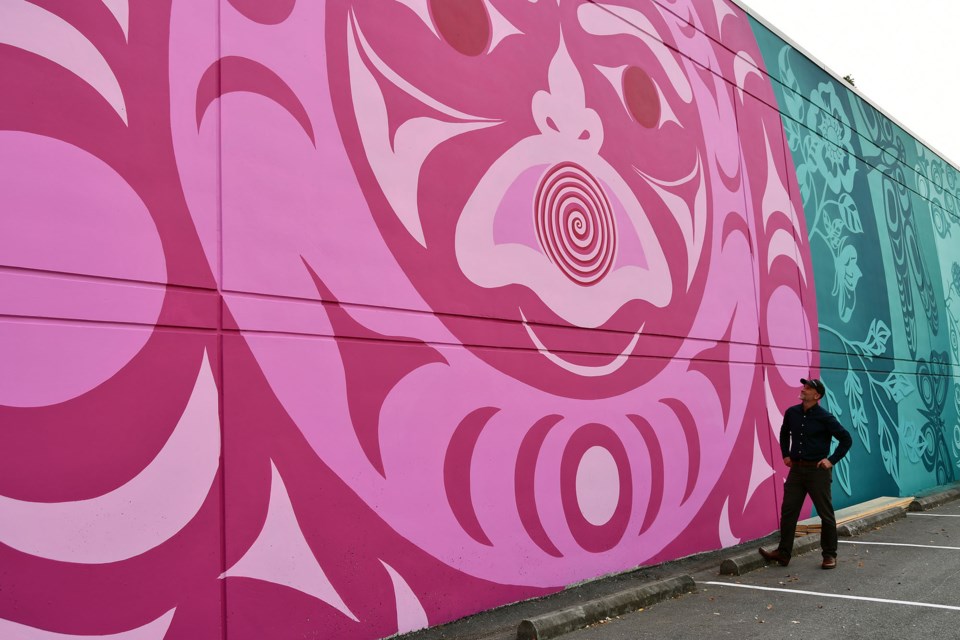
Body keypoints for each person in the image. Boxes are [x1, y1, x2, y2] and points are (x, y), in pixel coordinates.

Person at [759, 377, 852, 569]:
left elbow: (846, 439)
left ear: (816, 395)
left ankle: (829, 555)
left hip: (817, 471)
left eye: (808, 388)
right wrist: (785, 454)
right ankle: (783, 554)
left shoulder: (825, 418)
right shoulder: (792, 413)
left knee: (826, 514)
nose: (803, 389)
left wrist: (831, 460)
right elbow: (784, 433)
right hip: (797, 471)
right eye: (804, 386)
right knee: (788, 511)